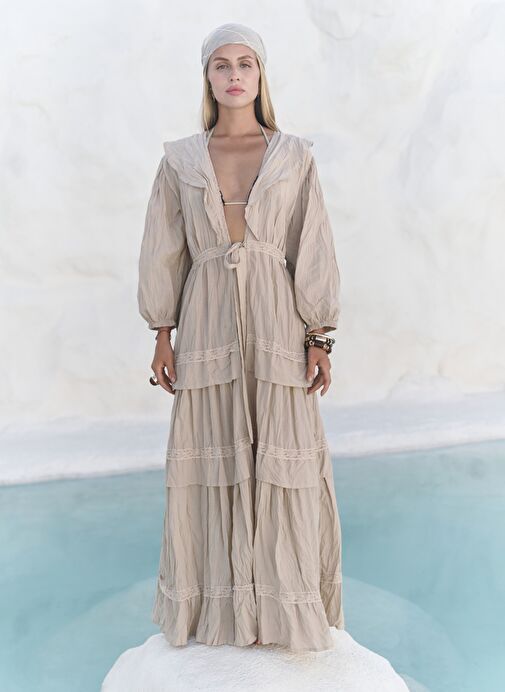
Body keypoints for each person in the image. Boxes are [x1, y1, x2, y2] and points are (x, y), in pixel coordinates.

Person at [137, 22, 344, 652]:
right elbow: (164, 250)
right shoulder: (180, 159)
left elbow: (312, 245)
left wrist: (319, 336)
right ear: (207, 76)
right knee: (210, 459)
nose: (234, 75)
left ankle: (284, 612)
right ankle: (216, 610)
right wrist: (162, 333)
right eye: (221, 65)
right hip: (205, 324)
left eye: (245, 64)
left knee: (284, 460)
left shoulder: (293, 155)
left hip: (277, 321)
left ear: (260, 75)